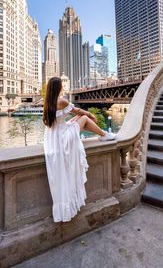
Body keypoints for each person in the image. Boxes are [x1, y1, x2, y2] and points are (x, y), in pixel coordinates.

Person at [43, 77, 116, 223]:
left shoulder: (47, 103)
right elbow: (78, 111)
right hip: (62, 138)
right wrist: (90, 114)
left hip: (52, 138)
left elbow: (55, 121)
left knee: (77, 120)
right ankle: (104, 134)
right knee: (83, 118)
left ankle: (104, 134)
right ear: (58, 88)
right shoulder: (61, 101)